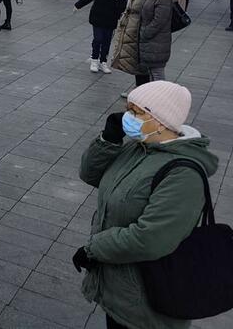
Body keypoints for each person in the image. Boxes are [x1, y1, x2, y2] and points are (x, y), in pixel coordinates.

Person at [76, 81, 218, 329]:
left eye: (136, 112)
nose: (127, 117)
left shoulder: (183, 175)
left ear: (161, 119)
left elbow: (150, 239)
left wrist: (93, 249)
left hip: (148, 303)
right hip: (121, 292)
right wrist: (108, 140)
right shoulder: (141, 148)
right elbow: (90, 175)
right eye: (127, 109)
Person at [111, 0, 172, 91]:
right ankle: (145, 96)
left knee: (157, 75)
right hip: (146, 40)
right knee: (148, 71)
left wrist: (144, 33)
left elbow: (159, 20)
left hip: (155, 42)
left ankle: (158, 103)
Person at [75, 0, 126, 74]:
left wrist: (121, 14)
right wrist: (78, 5)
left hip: (110, 20)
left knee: (107, 41)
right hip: (97, 18)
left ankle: (103, 61)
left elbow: (122, 4)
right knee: (98, 39)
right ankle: (94, 60)